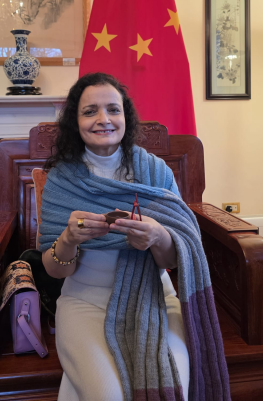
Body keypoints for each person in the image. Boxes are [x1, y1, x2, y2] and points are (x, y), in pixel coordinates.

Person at [38, 73, 230, 401]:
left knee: (174, 387)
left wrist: (158, 236)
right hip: (85, 303)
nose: (103, 119)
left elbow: (175, 259)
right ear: (75, 122)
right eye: (90, 111)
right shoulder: (61, 180)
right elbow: (55, 270)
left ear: (125, 117)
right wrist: (69, 239)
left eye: (113, 110)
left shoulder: (156, 173)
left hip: (156, 299)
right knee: (108, 395)